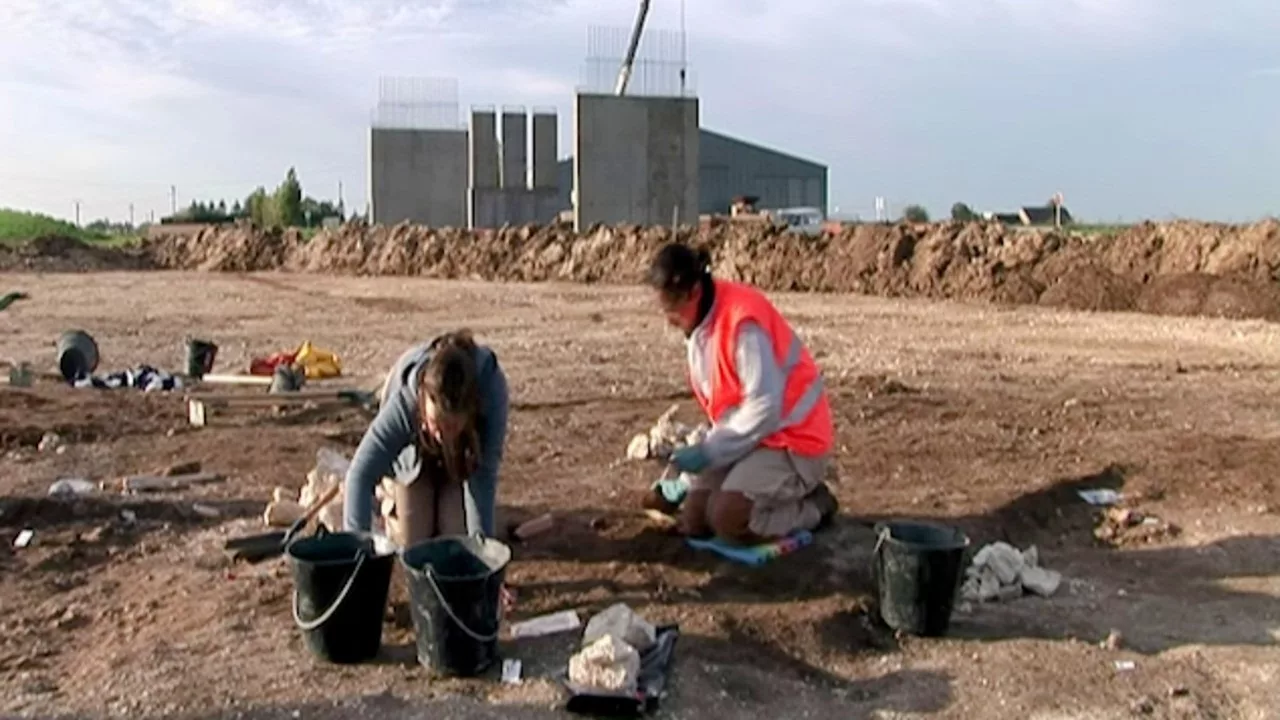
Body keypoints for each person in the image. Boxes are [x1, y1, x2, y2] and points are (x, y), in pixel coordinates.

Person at [643, 241, 838, 545]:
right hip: (756, 439)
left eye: (673, 310)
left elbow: (764, 408)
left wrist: (708, 453)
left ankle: (814, 506)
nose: (669, 320)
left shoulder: (741, 322)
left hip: (794, 441)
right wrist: (686, 479)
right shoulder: (700, 326)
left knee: (729, 519)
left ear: (694, 292)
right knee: (695, 518)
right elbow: (728, 411)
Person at [343, 330, 509, 545]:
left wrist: (482, 551)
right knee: (416, 541)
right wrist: (356, 549)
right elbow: (361, 474)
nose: (441, 434)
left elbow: (483, 477)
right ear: (423, 399)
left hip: (461, 462)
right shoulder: (406, 401)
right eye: (435, 424)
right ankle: (392, 507)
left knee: (455, 539)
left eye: (451, 426)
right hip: (414, 459)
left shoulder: (491, 394)